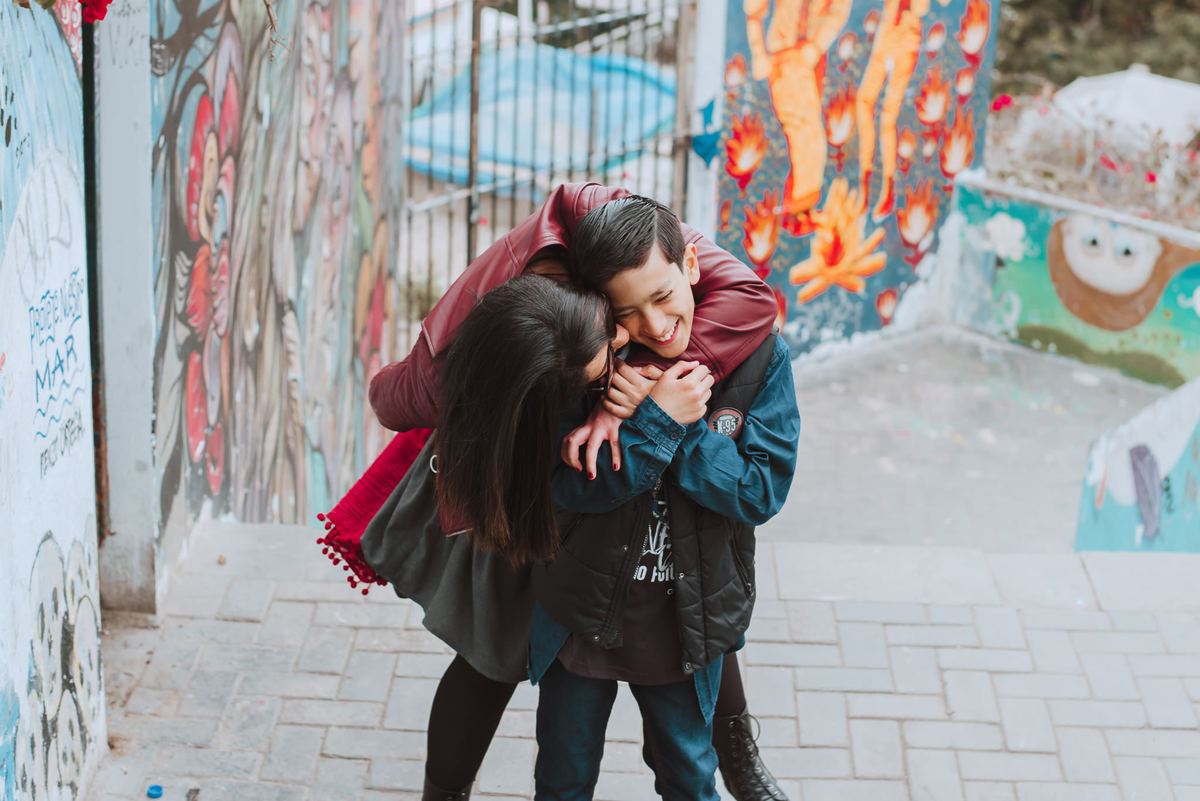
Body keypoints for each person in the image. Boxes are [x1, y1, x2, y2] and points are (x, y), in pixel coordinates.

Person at [364, 183, 787, 801]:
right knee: (497, 665)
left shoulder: (618, 249)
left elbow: (750, 304)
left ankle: (739, 755)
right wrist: (631, 413)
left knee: (687, 716)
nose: (639, 335)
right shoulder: (465, 378)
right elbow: (394, 399)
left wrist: (643, 403)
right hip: (530, 521)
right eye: (620, 331)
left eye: (614, 344)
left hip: (640, 569)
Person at [526, 195, 801, 801]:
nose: (653, 325)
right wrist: (653, 421)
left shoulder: (761, 359)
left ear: (692, 267)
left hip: (687, 620)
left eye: (662, 296)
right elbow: (569, 491)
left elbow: (759, 491)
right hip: (581, 612)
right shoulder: (591, 363)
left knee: (688, 778)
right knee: (563, 779)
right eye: (628, 311)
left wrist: (675, 425)